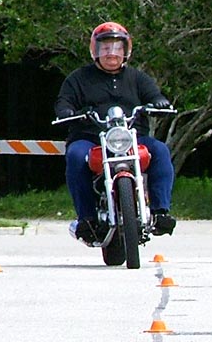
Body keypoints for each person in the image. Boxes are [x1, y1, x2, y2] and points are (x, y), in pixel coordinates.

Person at [54, 22, 177, 243]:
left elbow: (154, 95)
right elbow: (64, 102)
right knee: (75, 155)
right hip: (91, 139)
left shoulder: (138, 78)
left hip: (132, 138)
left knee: (160, 150)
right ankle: (87, 219)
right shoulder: (78, 78)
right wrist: (67, 112)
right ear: (95, 50)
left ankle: (161, 212)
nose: (112, 53)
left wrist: (159, 102)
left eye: (117, 47)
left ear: (126, 50)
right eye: (105, 47)